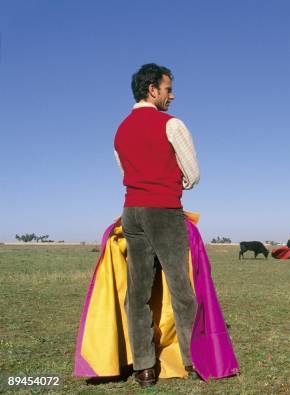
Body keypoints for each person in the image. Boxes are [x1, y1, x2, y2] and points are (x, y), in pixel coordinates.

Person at [114, 63, 200, 387]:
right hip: (162, 209)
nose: (172, 95)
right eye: (168, 89)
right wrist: (171, 179)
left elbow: (124, 168)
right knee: (181, 289)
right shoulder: (172, 124)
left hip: (131, 211)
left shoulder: (120, 130)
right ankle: (192, 360)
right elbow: (193, 175)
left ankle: (145, 368)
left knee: (137, 291)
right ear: (152, 90)